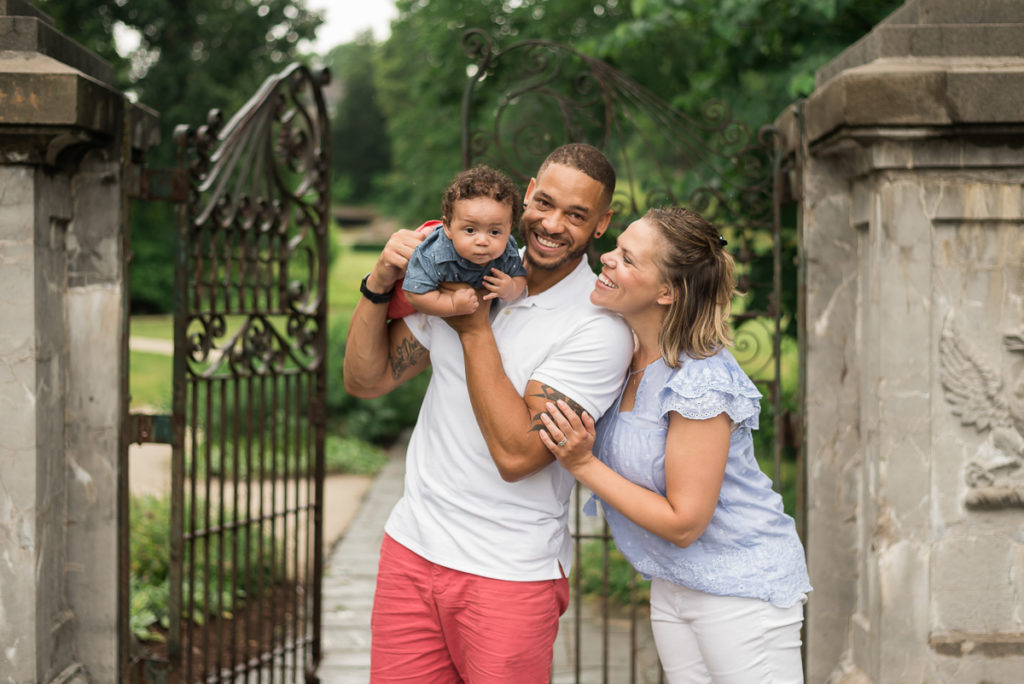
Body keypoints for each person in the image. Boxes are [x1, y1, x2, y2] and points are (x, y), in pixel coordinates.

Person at [343, 143, 635, 683]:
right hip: (412, 550)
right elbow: (367, 379)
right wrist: (381, 282)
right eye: (544, 203)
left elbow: (519, 454)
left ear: (602, 224)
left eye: (576, 215)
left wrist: (473, 325)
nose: (551, 224)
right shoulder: (463, 266)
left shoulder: (598, 328)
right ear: (526, 193)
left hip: (508, 576)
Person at [538, 206, 811, 684]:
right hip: (672, 582)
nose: (605, 259)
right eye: (615, 248)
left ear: (666, 291)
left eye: (627, 258)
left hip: (741, 590)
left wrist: (582, 463)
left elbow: (685, 522)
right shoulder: (622, 354)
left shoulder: (699, 379)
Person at [390, 165, 528, 319]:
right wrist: (452, 304)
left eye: (494, 232)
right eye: (470, 230)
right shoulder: (434, 254)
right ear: (448, 227)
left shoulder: (507, 251)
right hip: (408, 300)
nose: (482, 241)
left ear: (509, 229)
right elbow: (414, 293)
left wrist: (511, 289)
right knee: (396, 311)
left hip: (473, 299)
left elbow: (519, 277)